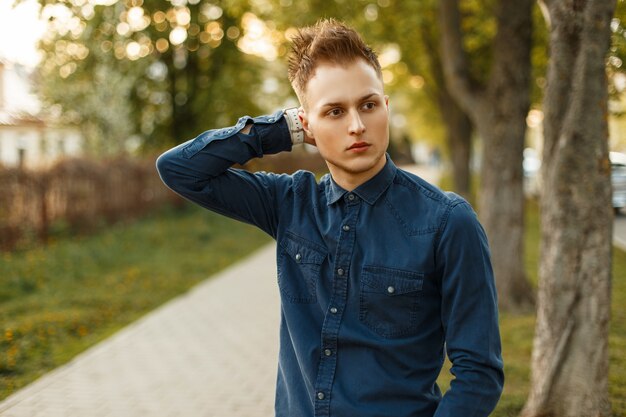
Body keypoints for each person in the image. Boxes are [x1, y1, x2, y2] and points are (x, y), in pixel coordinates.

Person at [156, 18, 503, 417]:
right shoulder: (288, 202)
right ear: (307, 126)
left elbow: (479, 373)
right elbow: (180, 169)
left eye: (368, 105)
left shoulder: (448, 221)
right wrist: (280, 130)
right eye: (335, 112)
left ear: (386, 108)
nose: (357, 126)